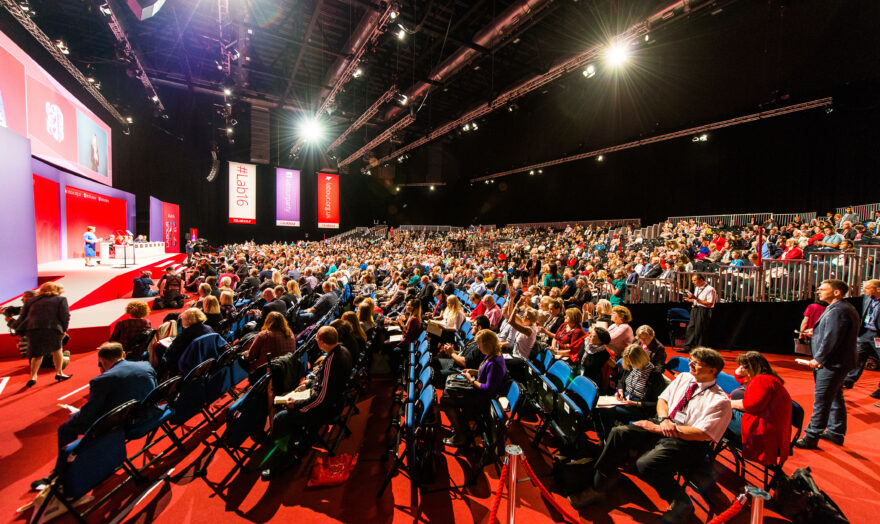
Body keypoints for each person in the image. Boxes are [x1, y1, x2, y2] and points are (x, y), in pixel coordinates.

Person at [568, 347, 732, 522]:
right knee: (618, 433)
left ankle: (681, 501)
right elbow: (663, 400)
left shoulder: (720, 401)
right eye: (690, 360)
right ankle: (596, 487)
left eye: (696, 362)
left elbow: (701, 433)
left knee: (645, 465)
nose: (690, 364)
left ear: (712, 370)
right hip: (664, 423)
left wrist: (662, 428)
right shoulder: (685, 378)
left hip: (686, 441)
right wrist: (663, 420)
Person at [30, 342, 157, 491]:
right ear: (123, 355)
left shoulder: (102, 380)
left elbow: (88, 414)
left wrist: (75, 418)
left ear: (102, 360)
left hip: (122, 424)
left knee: (66, 429)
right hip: (147, 415)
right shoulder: (145, 366)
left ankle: (60, 474)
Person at [266, 327, 352, 476]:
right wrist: (308, 385)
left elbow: (321, 397)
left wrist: (297, 405)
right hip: (333, 402)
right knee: (288, 409)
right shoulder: (343, 350)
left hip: (325, 409)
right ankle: (297, 442)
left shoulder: (332, 360)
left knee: (280, 417)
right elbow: (323, 383)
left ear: (322, 342)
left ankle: (284, 460)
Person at [795, 279, 859, 449]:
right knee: (835, 397)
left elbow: (833, 338)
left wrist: (819, 359)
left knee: (822, 400)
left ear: (837, 292)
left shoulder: (838, 310)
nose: (819, 291)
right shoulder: (841, 308)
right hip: (837, 362)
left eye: (823, 289)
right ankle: (836, 432)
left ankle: (811, 436)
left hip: (832, 364)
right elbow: (834, 333)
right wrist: (815, 331)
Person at [440, 329, 507, 447]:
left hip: (482, 399)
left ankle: (461, 436)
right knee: (448, 394)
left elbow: (487, 388)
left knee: (446, 401)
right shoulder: (494, 354)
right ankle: (461, 427)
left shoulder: (494, 363)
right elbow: (485, 374)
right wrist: (473, 372)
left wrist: (471, 379)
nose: (479, 348)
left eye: (480, 346)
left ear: (486, 345)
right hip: (478, 392)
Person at [729, 351, 792, 467]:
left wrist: (728, 403)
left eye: (742, 366)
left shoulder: (761, 380)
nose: (739, 368)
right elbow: (742, 380)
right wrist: (738, 372)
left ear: (750, 368)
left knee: (718, 412)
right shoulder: (766, 378)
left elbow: (752, 405)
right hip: (767, 426)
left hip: (762, 430)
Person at [595, 343, 667, 442]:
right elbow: (621, 381)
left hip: (640, 407)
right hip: (626, 399)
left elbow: (657, 403)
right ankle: (604, 438)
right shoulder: (632, 367)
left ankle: (608, 439)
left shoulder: (655, 375)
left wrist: (635, 403)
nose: (630, 364)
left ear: (640, 360)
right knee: (598, 406)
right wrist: (619, 390)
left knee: (605, 411)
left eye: (632, 362)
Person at [14, 282, 72, 387]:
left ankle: (33, 377)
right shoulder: (60, 300)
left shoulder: (30, 301)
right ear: (57, 290)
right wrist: (64, 330)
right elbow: (65, 316)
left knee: (37, 354)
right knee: (57, 350)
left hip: (33, 329)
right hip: (53, 328)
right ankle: (59, 373)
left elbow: (22, 317)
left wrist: (17, 328)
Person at [843, 279, 880, 397]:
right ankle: (848, 381)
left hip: (878, 335)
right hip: (864, 333)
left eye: (867, 288)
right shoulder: (867, 298)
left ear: (878, 289)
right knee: (857, 357)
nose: (864, 290)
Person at [435, 315, 491, 386]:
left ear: (479, 328)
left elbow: (464, 362)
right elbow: (464, 351)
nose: (471, 327)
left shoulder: (480, 345)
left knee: (435, 375)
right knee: (435, 362)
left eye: (473, 325)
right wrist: (453, 351)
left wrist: (452, 353)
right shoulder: (474, 338)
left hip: (460, 371)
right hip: (454, 364)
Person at [162, 308, 214, 376]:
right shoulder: (208, 328)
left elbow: (170, 353)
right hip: (205, 358)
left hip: (188, 364)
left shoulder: (186, 334)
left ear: (188, 320)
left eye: (182, 319)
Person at [680, 274, 716, 353]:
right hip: (695, 309)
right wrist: (691, 300)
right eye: (692, 280)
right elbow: (697, 300)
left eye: (695, 280)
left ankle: (699, 350)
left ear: (701, 280)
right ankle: (687, 347)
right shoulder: (697, 288)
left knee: (700, 330)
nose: (693, 282)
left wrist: (696, 298)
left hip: (703, 311)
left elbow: (709, 303)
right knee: (691, 328)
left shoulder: (710, 289)